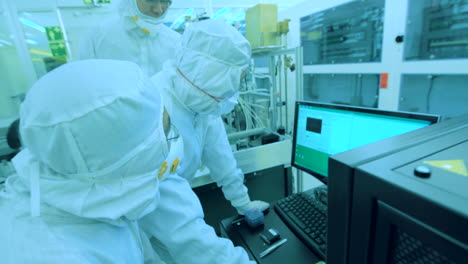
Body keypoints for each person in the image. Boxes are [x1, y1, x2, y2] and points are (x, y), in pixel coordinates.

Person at [0, 59, 254, 263]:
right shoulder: (55, 252)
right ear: (122, 157)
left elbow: (192, 239)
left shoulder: (96, 181)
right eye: (165, 135)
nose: (169, 147)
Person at [152, 19, 270, 216]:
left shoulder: (203, 100)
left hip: (177, 212)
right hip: (148, 222)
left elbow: (221, 156)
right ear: (213, 74)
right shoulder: (156, 105)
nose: (232, 92)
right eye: (234, 81)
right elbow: (168, 210)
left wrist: (244, 203)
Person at [80, 0, 179, 76]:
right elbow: (86, 81)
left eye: (165, 1)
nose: (159, 9)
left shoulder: (176, 41)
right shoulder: (99, 35)